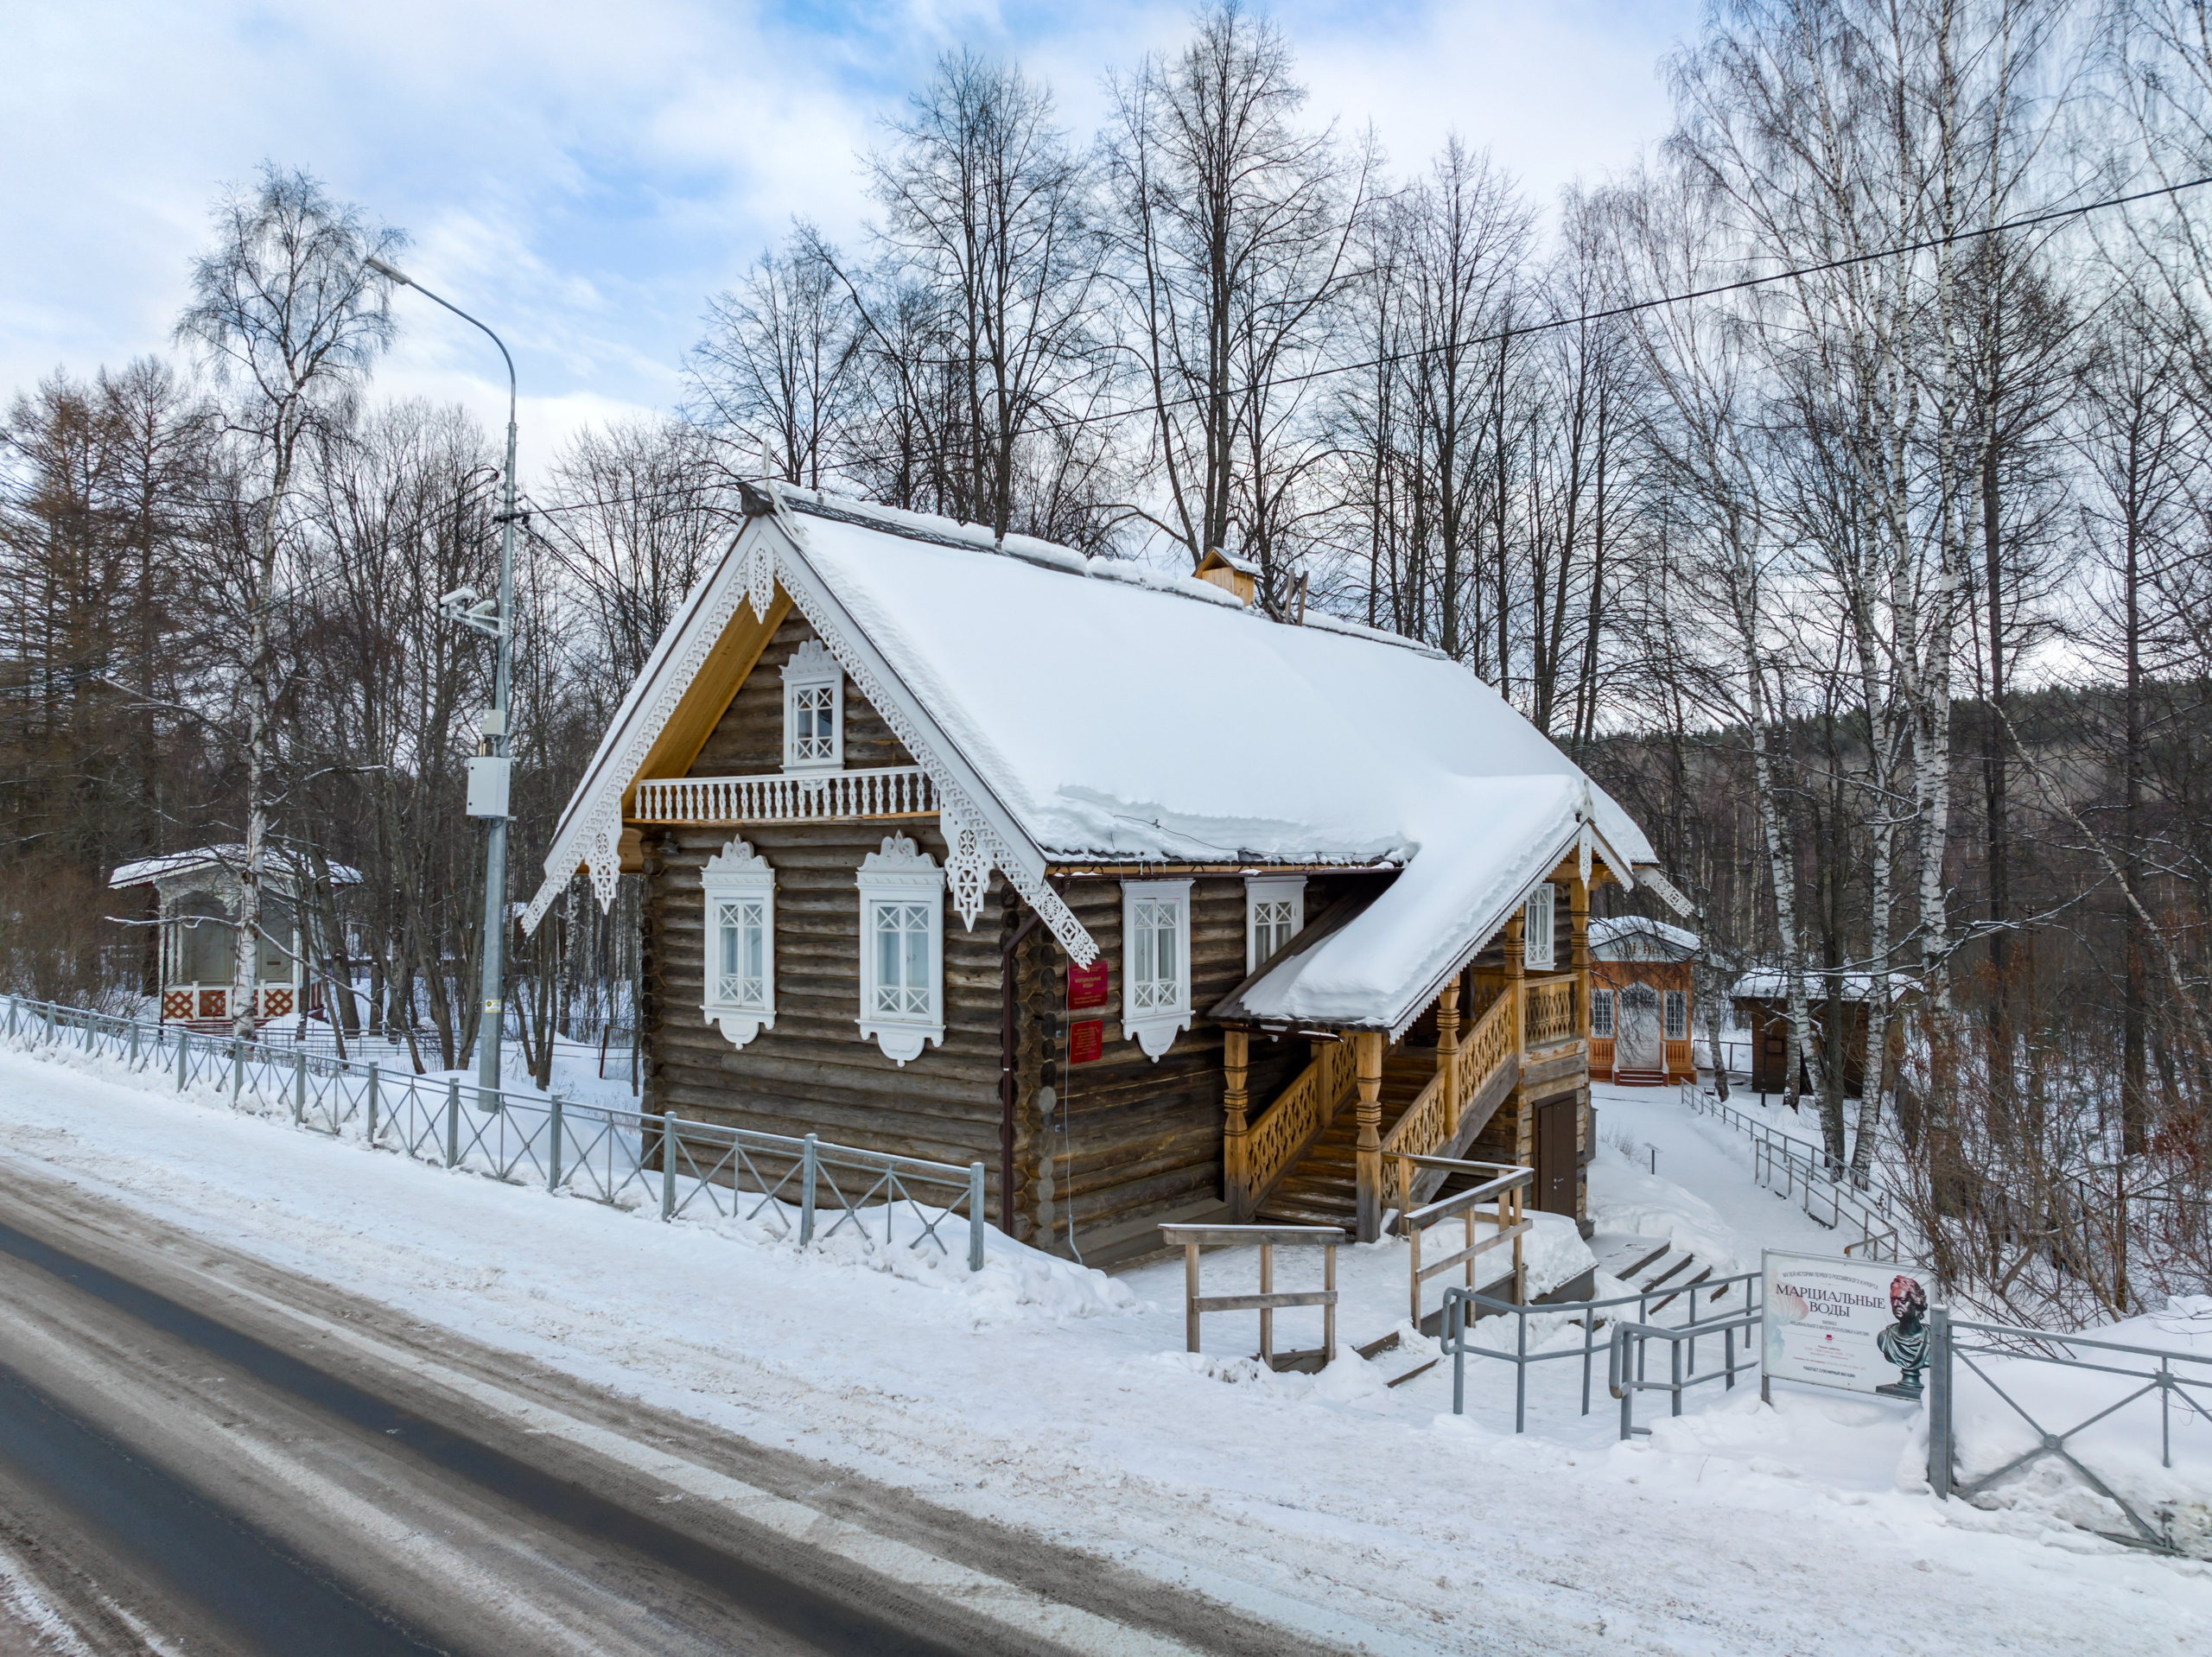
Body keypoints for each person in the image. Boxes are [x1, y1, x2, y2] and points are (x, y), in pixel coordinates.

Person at [1874, 1274, 1929, 1399]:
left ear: (1917, 1304)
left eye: (1903, 1301)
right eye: (1893, 1300)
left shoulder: (1933, 1341)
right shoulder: (1884, 1338)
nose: (1896, 1305)